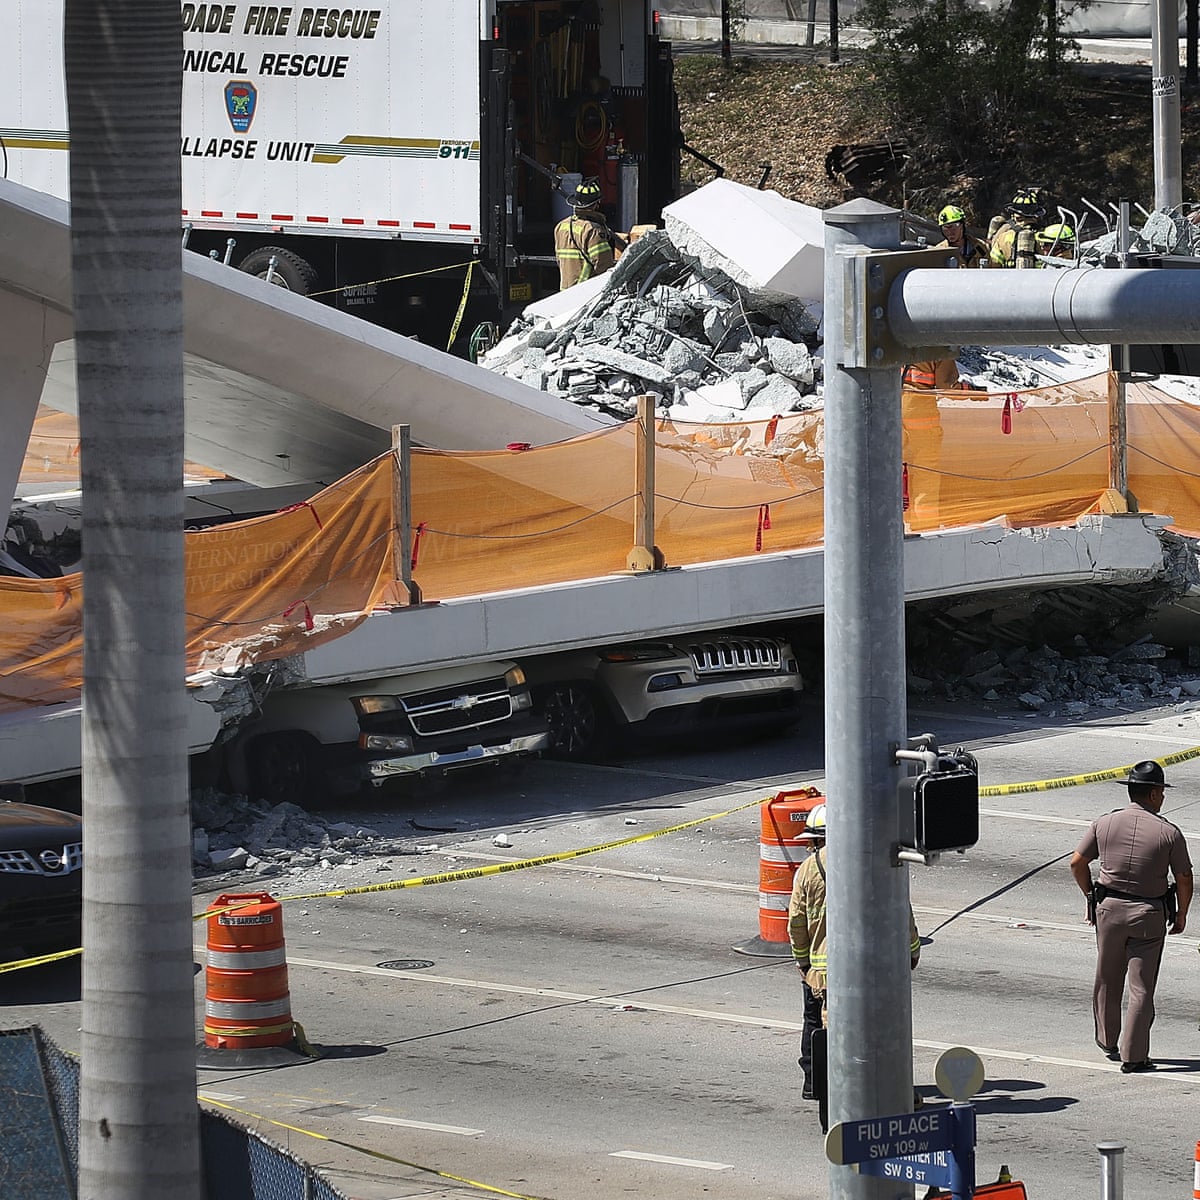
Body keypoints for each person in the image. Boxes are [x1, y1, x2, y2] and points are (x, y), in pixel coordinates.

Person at [788, 804, 921, 1102]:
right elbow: (901, 910)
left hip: (823, 972)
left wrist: (803, 961)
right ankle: (891, 1088)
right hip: (876, 966)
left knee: (821, 1026)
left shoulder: (808, 870)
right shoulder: (871, 859)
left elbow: (796, 922)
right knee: (883, 1028)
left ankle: (818, 1085)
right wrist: (912, 951)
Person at [1069, 760, 1193, 1073]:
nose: (1163, 797)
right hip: (1148, 915)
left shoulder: (1104, 823)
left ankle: (1107, 1040)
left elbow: (1076, 863)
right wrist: (1181, 915)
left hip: (1109, 911)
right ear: (1153, 794)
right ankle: (1134, 1056)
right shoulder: (1169, 832)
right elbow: (1184, 879)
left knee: (1108, 979)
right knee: (1141, 988)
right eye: (1162, 792)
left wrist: (1089, 896)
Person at [554, 179, 627, 290]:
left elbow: (560, 260)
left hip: (565, 291)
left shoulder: (561, 226)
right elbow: (603, 266)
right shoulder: (593, 230)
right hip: (585, 293)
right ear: (596, 204)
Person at [989, 187, 1045, 269]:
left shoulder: (1003, 237)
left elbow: (994, 263)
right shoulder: (1044, 237)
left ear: (1016, 216)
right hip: (1039, 279)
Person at [935, 204, 989, 268]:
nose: (950, 232)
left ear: (962, 225)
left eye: (954, 226)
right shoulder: (939, 251)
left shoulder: (979, 247)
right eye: (945, 228)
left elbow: (991, 270)